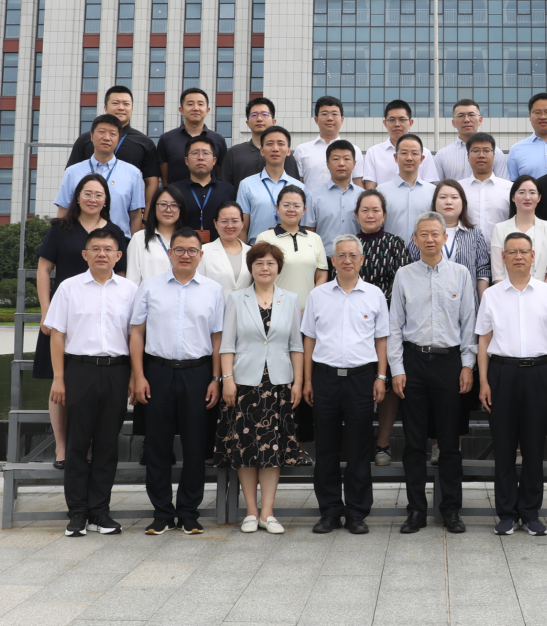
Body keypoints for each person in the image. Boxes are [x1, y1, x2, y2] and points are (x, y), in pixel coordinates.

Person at [129, 228, 223, 535]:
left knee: (196, 446)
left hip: (198, 374)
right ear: (170, 253)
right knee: (157, 446)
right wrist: (138, 375)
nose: (185, 255)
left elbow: (218, 338)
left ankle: (188, 512)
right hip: (157, 372)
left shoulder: (213, 290)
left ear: (201, 255)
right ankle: (162, 513)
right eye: (179, 249)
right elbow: (137, 333)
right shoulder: (150, 286)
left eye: (192, 250)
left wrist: (216, 378)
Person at [389, 212, 478, 534]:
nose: (429, 239)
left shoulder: (461, 274)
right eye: (423, 234)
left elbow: (469, 323)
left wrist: (467, 365)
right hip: (413, 362)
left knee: (450, 443)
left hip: (449, 363)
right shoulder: (404, 275)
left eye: (435, 233)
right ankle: (415, 510)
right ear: (415, 239)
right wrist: (397, 369)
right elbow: (395, 325)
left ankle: (451, 509)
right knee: (414, 442)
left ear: (444, 237)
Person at [45, 226, 136, 537]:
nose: (102, 254)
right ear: (85, 254)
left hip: (116, 370)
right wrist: (59, 378)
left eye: (108, 249)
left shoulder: (129, 290)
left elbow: (135, 337)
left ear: (118, 255)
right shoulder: (69, 288)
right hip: (79, 370)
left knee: (108, 444)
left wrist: (134, 375)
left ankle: (100, 512)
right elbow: (57, 335)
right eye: (95, 249)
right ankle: (77, 513)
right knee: (77, 444)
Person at [35, 173, 130, 469]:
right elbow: (43, 269)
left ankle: (86, 447)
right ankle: (62, 447)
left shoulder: (114, 231)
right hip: (64, 313)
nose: (92, 199)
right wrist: (46, 311)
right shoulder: (60, 228)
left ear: (106, 200)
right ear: (77, 197)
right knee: (60, 382)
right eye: (87, 193)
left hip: (99, 320)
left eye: (98, 194)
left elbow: (121, 275)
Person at [477, 231, 547, 536]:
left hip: (538, 373)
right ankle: (506, 513)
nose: (518, 256)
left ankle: (530, 513)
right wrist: (484, 381)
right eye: (512, 252)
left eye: (523, 251)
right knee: (503, 446)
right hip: (502, 373)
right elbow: (484, 340)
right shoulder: (491, 295)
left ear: (533, 256)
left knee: (533, 446)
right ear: (502, 257)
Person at [302, 234, 389, 535]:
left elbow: (381, 339)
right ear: (333, 260)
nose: (347, 260)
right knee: (325, 448)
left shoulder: (374, 295)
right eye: (341, 255)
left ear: (362, 260)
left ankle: (356, 512)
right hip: (325, 378)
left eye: (353, 255)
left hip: (361, 379)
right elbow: (309, 339)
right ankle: (329, 511)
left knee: (358, 448)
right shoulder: (318, 295)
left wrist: (381, 377)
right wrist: (308, 379)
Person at [219, 240, 304, 533]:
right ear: (251, 267)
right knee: (245, 448)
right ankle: (251, 512)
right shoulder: (236, 299)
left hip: (278, 383)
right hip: (244, 383)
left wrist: (298, 381)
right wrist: (227, 379)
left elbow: (296, 345)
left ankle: (268, 512)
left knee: (272, 448)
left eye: (270, 263)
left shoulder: (290, 299)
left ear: (278, 268)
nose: (265, 268)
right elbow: (227, 344)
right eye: (259, 263)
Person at [352, 188, 409, 467]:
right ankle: (359, 444)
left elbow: (403, 287)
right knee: (361, 381)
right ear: (356, 215)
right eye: (365, 210)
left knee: (386, 382)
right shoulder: (349, 246)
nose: (370, 215)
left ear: (384, 215)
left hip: (389, 322)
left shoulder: (396, 244)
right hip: (354, 325)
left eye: (376, 210)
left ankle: (383, 444)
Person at [66, 85, 160, 203]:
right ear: (105, 108)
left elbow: (152, 182)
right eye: (115, 103)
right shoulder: (86, 139)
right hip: (88, 206)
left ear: (132, 108)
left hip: (125, 209)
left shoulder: (145, 143)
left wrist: (146, 213)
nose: (121, 107)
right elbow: (72, 176)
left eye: (126, 104)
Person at [56, 113, 147, 235]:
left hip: (118, 241)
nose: (107, 138)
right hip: (79, 240)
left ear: (118, 138)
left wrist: (134, 244)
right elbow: (63, 211)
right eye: (102, 132)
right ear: (91, 136)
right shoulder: (72, 172)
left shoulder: (133, 173)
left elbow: (135, 216)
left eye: (112, 134)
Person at [404, 179, 490, 297]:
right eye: (443, 197)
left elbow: (482, 272)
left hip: (465, 300)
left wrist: (482, 304)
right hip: (428, 299)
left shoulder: (475, 234)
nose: (448, 202)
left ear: (463, 202)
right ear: (434, 202)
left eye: (454, 197)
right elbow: (412, 267)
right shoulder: (420, 233)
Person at [255, 185, 329, 314]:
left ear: (304, 210)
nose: (291, 209)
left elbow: (321, 275)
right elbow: (259, 276)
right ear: (277, 208)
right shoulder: (264, 238)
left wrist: (310, 307)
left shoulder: (315, 238)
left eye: (296, 205)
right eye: (286, 205)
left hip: (308, 313)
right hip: (275, 311)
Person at [235, 126, 304, 243]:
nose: (275, 149)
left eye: (280, 144)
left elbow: (302, 225)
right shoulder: (247, 184)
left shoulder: (299, 187)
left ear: (288, 151)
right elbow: (242, 228)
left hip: (289, 248)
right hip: (257, 248)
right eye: (270, 144)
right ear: (262, 151)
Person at [490, 175, 547, 284]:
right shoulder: (499, 229)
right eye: (522, 192)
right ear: (513, 197)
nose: (527, 197)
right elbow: (498, 274)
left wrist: (542, 293)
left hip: (543, 291)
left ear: (539, 198)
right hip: (507, 292)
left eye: (532, 192)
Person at [167, 133, 237, 241]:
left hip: (219, 248)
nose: (200, 158)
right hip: (183, 248)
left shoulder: (228, 190)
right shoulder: (173, 191)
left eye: (205, 153)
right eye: (195, 153)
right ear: (186, 160)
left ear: (214, 161)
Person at [359, 99, 440, 188]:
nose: (397, 124)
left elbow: (429, 188)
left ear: (410, 123)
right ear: (385, 123)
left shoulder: (424, 153)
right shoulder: (374, 152)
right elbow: (370, 189)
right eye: (392, 120)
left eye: (402, 119)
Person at [158, 86, 228, 186]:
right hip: (175, 195)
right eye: (190, 104)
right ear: (181, 110)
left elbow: (220, 174)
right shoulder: (166, 139)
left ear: (207, 110)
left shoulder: (218, 140)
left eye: (200, 104)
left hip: (208, 194)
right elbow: (164, 178)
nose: (195, 108)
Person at [222, 98, 301, 187]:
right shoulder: (235, 152)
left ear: (273, 121)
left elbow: (293, 186)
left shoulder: (283, 152)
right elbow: (225, 186)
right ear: (247, 123)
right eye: (254, 115)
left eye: (264, 114)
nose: (259, 119)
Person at [306, 140, 363, 255]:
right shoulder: (314, 196)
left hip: (356, 259)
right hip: (324, 259)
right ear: (327, 164)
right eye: (336, 159)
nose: (341, 164)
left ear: (354, 163)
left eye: (346, 159)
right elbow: (309, 233)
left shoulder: (363, 196)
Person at [377, 133, 436, 239]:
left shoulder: (433, 191)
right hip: (391, 249)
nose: (409, 158)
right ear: (396, 157)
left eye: (414, 153)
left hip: (424, 249)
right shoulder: (381, 191)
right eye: (404, 153)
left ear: (422, 159)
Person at [433, 98, 509, 181]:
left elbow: (503, 185)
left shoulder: (496, 153)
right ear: (453, 123)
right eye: (461, 115)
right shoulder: (442, 156)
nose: (466, 120)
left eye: (471, 115)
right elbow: (437, 187)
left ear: (480, 120)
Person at [124, 186, 185, 285]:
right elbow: (132, 281)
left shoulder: (189, 239)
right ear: (154, 207)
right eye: (163, 204)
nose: (168, 210)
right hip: (149, 295)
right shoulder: (139, 239)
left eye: (174, 205)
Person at [293, 96, 359, 187]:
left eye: (334, 114)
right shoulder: (302, 150)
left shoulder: (354, 150)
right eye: (324, 114)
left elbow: (358, 183)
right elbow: (297, 184)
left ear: (342, 119)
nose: (330, 118)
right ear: (316, 119)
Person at [462, 132, 512, 244]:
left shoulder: (510, 189)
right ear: (468, 156)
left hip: (502, 250)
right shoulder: (458, 189)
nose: (481, 155)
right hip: (466, 251)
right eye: (475, 151)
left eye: (486, 150)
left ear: (494, 155)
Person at [202, 201, 252, 296]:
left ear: (242, 223)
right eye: (224, 221)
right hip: (215, 305)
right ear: (215, 223)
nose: (229, 226)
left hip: (244, 305)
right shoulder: (203, 252)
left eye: (235, 221)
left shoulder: (252, 252)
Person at [506, 92, 547, 179]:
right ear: (530, 115)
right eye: (537, 112)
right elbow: (512, 183)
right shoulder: (516, 149)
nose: (543, 117)